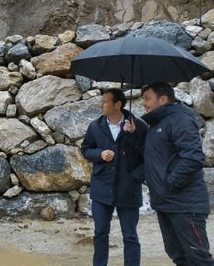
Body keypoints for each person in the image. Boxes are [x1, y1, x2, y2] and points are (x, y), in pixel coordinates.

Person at [124, 82, 214, 265]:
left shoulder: (180, 119)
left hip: (185, 203)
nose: (144, 103)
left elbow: (193, 157)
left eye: (148, 99)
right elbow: (152, 157)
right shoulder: (157, 124)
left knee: (198, 257)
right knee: (178, 255)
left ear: (163, 99)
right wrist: (133, 134)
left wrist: (171, 183)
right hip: (165, 202)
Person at [81, 88, 147, 266]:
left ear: (117, 104)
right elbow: (85, 149)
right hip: (102, 188)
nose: (100, 105)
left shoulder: (138, 126)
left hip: (129, 189)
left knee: (130, 236)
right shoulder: (95, 126)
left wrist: (132, 135)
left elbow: (146, 156)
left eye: (104, 102)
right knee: (100, 233)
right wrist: (100, 154)